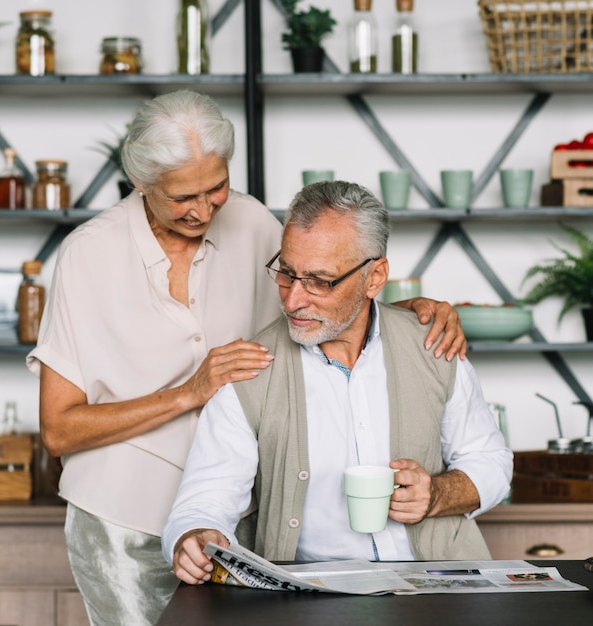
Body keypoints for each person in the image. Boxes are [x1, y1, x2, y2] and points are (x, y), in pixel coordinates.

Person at [27, 91, 467, 625]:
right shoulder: (87, 256)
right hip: (124, 523)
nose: (204, 209)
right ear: (141, 183)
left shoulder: (254, 223)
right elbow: (59, 429)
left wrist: (406, 311)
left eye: (217, 187)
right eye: (182, 197)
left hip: (240, 527)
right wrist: (187, 392)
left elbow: (321, 296)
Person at [163, 180, 513, 585]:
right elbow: (206, 498)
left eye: (320, 281)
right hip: (311, 598)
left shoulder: (433, 345)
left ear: (375, 277)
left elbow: (492, 463)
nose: (293, 299)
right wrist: (193, 535)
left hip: (441, 589)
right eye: (287, 273)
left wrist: (436, 495)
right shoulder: (247, 370)